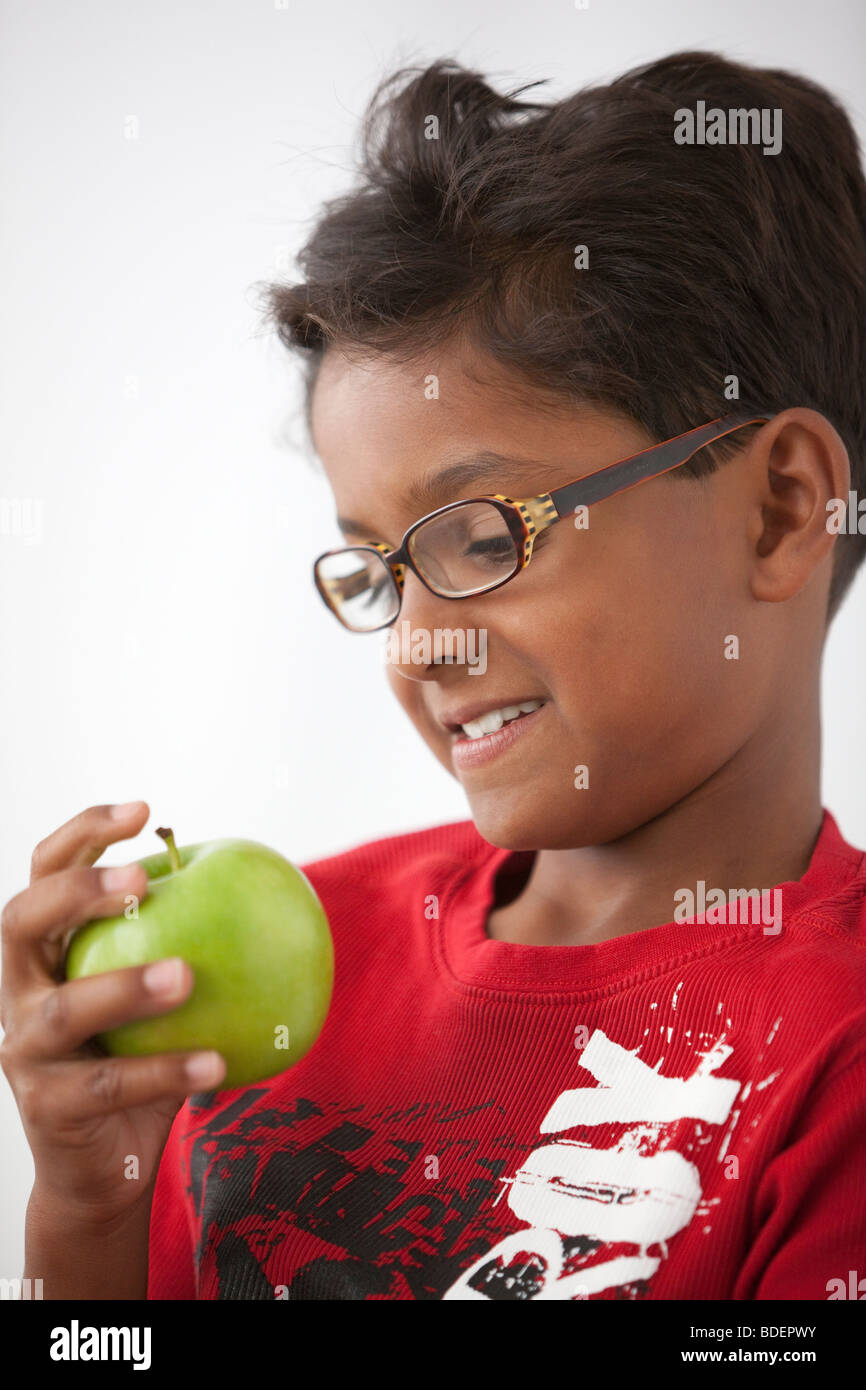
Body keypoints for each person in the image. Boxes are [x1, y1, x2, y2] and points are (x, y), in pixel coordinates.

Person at [3, 49, 866, 1302]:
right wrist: (91, 1216)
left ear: (782, 511)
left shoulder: (836, 1059)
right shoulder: (301, 961)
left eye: (480, 536)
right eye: (373, 569)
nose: (414, 643)